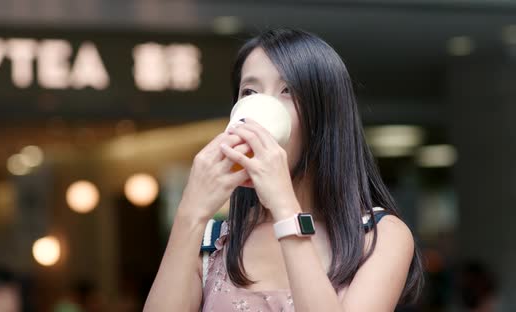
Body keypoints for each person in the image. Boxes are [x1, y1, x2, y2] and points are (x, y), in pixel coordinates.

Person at [144, 28, 424, 311]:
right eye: (249, 92)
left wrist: (284, 208)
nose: (260, 106)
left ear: (325, 114)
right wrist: (190, 214)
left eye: (287, 90)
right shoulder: (212, 243)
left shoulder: (379, 236)